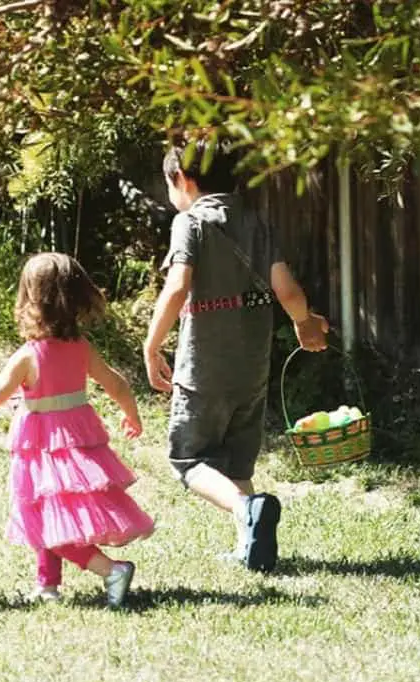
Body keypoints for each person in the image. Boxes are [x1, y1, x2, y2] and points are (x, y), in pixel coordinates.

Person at [0, 252, 154, 607]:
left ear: (30, 299)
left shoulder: (28, 356)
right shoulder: (81, 348)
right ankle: (47, 585)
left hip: (44, 445)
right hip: (78, 442)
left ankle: (111, 569)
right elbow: (118, 384)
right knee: (50, 514)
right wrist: (131, 414)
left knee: (43, 519)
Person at [143, 141, 328, 573]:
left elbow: (177, 287)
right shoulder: (255, 222)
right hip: (252, 366)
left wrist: (152, 346)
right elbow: (286, 289)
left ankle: (247, 509)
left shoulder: (190, 223)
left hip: (204, 366)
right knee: (237, 458)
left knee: (188, 459)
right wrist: (304, 323)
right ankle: (251, 546)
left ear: (182, 181)